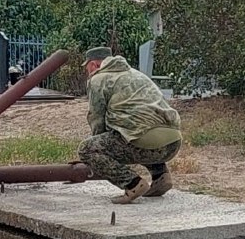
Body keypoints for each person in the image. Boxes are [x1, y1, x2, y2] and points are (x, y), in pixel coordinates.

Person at [78, 47, 182, 204]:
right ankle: (161, 177)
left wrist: (98, 151)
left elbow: (96, 118)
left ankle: (132, 184)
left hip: (145, 142)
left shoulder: (98, 80)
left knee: (87, 149)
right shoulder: (136, 74)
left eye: (87, 68)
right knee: (135, 131)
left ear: (94, 65)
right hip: (173, 142)